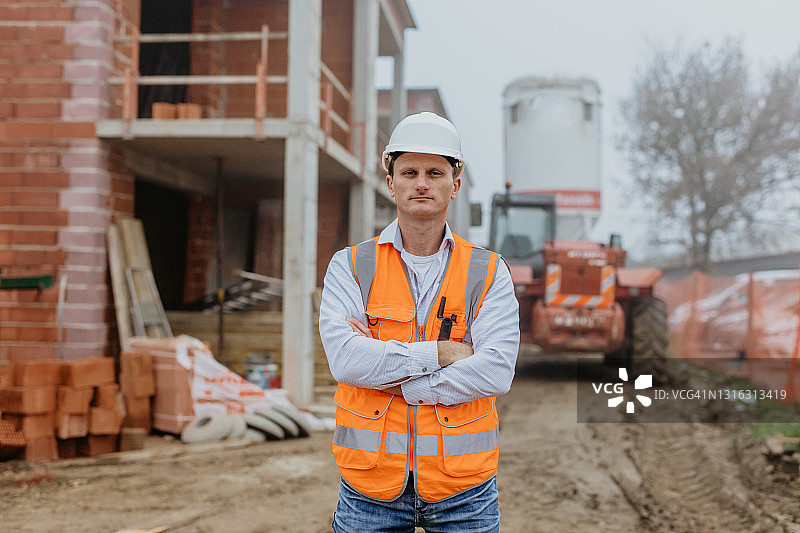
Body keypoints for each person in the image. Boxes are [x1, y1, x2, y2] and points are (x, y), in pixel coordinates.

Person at [319, 111, 520, 532]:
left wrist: (395, 377)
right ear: (390, 182)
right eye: (409, 171)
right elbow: (346, 362)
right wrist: (444, 353)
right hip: (369, 488)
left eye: (435, 171)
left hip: (464, 490)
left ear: (456, 184)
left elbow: (497, 371)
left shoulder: (487, 271)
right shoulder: (351, 266)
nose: (422, 183)